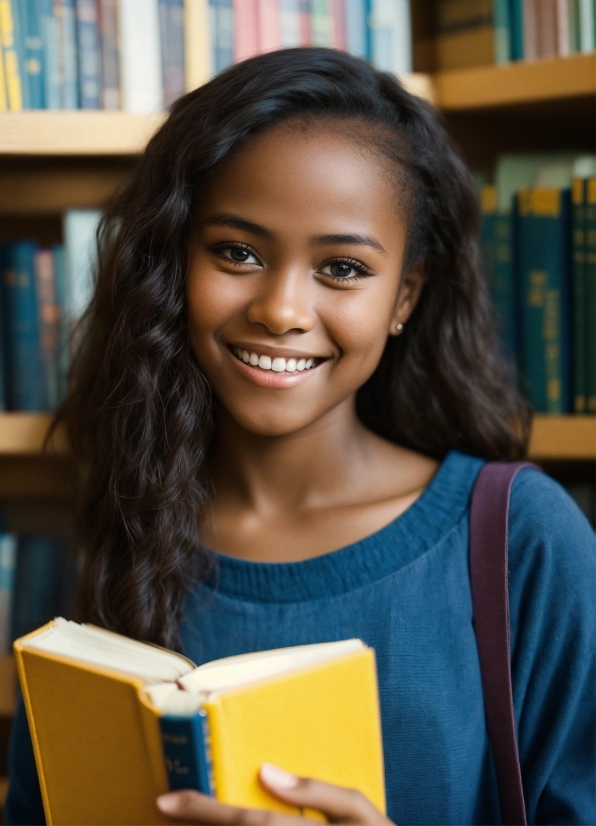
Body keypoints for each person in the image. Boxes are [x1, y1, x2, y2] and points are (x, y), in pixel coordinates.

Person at [6, 49, 594, 826]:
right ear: (173, 264)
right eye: (237, 253)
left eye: (343, 268)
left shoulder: (523, 538)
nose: (281, 308)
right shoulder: (121, 519)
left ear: (404, 297)